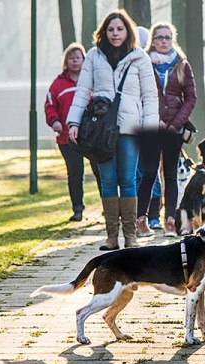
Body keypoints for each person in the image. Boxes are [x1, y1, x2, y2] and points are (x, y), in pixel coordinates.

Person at [67, 10, 159, 250]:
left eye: (120, 29)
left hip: (131, 128)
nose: (115, 34)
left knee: (128, 179)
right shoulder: (94, 57)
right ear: (103, 32)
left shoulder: (140, 58)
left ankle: (130, 236)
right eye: (111, 29)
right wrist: (73, 122)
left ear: (127, 31)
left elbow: (150, 96)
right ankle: (111, 237)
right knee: (108, 180)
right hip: (101, 129)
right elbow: (82, 91)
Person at [136, 21, 196, 238]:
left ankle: (170, 221)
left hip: (174, 129)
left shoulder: (182, 64)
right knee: (149, 174)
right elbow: (138, 94)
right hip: (151, 127)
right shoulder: (142, 61)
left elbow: (190, 98)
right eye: (159, 37)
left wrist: (175, 125)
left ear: (173, 39)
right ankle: (140, 221)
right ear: (153, 39)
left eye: (167, 37)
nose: (163, 41)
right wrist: (155, 119)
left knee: (170, 175)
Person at [45, 42, 101, 222]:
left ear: (84, 60)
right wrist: (54, 122)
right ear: (66, 61)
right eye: (71, 58)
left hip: (92, 136)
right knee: (75, 172)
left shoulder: (93, 81)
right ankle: (78, 208)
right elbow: (50, 106)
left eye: (78, 57)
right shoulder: (58, 84)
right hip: (67, 137)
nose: (75, 61)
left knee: (100, 171)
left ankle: (108, 207)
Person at [135, 26, 164, 236]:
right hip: (129, 127)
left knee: (150, 175)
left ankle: (149, 216)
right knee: (133, 177)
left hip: (150, 128)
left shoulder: (150, 67)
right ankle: (134, 220)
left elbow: (156, 97)